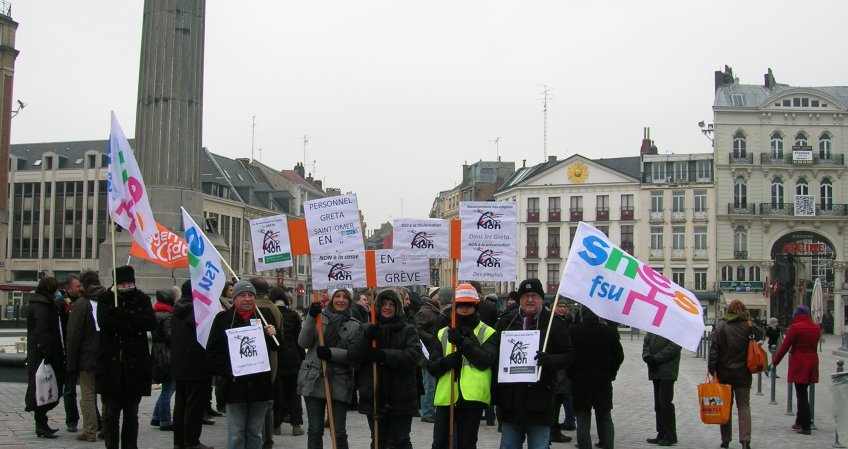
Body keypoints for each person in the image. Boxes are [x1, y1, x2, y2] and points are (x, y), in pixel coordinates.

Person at [495, 279, 573, 449]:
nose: (530, 300)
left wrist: (550, 360)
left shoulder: (554, 324)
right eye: (525, 296)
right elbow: (494, 355)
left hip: (540, 401)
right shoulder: (506, 322)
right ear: (520, 299)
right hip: (511, 402)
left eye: (534, 295)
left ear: (541, 299)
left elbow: (568, 356)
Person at [207, 280, 278, 449]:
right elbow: (213, 352)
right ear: (234, 298)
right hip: (235, 386)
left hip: (259, 386)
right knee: (236, 432)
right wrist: (229, 373)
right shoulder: (223, 319)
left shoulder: (264, 316)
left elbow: (277, 347)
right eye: (242, 295)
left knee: (255, 432)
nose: (247, 299)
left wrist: (274, 334)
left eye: (250, 295)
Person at [349, 289, 424, 449]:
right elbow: (354, 357)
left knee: (400, 440)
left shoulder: (408, 329)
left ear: (398, 307)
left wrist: (384, 355)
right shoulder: (366, 328)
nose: (387, 307)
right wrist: (366, 337)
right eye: (383, 304)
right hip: (374, 395)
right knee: (378, 441)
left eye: (391, 304)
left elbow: (413, 356)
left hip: (401, 396)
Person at [427, 283, 497, 449]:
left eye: (469, 305)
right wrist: (445, 362)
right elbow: (431, 366)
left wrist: (463, 343)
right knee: (440, 444)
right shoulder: (443, 333)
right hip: (447, 397)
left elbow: (486, 360)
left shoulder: (487, 332)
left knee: (467, 444)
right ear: (454, 306)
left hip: (472, 397)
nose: (464, 309)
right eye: (461, 305)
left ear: (475, 306)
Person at [96, 265, 156, 449]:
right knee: (111, 414)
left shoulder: (142, 298)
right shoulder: (106, 298)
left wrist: (123, 314)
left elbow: (149, 322)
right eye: (123, 283)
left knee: (131, 414)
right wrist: (132, 324)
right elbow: (105, 322)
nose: (127, 286)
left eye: (130, 282)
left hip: (134, 367)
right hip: (111, 367)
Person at [297, 288, 361, 449]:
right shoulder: (318, 317)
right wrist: (311, 317)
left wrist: (331, 353)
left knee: (338, 431)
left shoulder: (355, 325)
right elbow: (303, 342)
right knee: (315, 430)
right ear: (331, 299)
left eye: (345, 297)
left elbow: (355, 355)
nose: (341, 300)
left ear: (350, 301)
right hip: (314, 377)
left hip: (340, 380)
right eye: (337, 296)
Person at [708, 299, 763, 449]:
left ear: (729, 310)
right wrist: (750, 322)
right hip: (743, 374)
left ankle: (725, 440)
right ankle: (745, 440)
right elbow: (760, 334)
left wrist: (712, 370)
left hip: (724, 373)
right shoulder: (749, 326)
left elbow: (714, 351)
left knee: (725, 407)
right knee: (744, 406)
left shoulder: (721, 326)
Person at [569, 306, 624, 449]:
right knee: (605, 417)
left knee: (582, 419)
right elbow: (619, 355)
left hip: (580, 381)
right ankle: (607, 445)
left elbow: (568, 356)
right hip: (603, 380)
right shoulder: (609, 331)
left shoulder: (573, 331)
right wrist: (612, 372)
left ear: (581, 315)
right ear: (598, 316)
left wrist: (571, 374)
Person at [171, 280, 214, 449]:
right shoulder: (198, 311)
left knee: (180, 403)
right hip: (197, 364)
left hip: (180, 363)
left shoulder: (178, 309)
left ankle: (179, 441)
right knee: (194, 405)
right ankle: (191, 441)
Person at [24, 276, 66, 439]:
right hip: (43, 355)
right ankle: (41, 424)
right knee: (44, 389)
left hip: (40, 353)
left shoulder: (43, 303)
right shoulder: (42, 306)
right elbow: (42, 331)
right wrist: (48, 352)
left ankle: (42, 423)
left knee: (44, 389)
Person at [65, 270, 105, 442]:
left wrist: (71, 362)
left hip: (87, 357)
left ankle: (90, 430)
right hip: (106, 355)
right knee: (107, 394)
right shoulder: (109, 300)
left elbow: (73, 335)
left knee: (88, 394)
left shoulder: (81, 304)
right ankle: (108, 428)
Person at [771, 305, 821, 436]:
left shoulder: (796, 327)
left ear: (796, 315)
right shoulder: (816, 327)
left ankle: (805, 425)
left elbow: (784, 346)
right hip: (812, 361)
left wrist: (775, 362)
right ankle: (799, 421)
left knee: (801, 394)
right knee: (803, 391)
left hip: (799, 362)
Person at [249, 277, 283, 449]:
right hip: (271, 359)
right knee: (267, 401)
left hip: (251, 359)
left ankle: (256, 436)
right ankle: (267, 438)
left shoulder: (253, 308)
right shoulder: (275, 309)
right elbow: (280, 334)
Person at [270, 287, 305, 437]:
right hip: (292, 358)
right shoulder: (293, 315)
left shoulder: (268, 314)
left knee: (278, 394)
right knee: (294, 394)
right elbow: (299, 340)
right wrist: (301, 357)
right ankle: (296, 425)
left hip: (276, 358)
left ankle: (276, 426)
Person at [642, 332, 681, 446]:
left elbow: (674, 347)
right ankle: (661, 433)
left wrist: (656, 358)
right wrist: (647, 357)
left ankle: (670, 435)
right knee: (658, 405)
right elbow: (646, 342)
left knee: (665, 403)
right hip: (655, 370)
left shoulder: (674, 327)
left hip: (668, 371)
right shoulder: (655, 326)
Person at [415, 286, 442, 424]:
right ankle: (427, 412)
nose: (441, 298)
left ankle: (431, 410)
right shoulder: (425, 312)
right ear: (433, 297)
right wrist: (432, 338)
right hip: (426, 353)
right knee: (429, 384)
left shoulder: (437, 311)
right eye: (439, 296)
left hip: (434, 353)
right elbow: (418, 330)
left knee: (434, 384)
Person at [60, 274, 83, 433]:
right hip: (68, 351)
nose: (80, 288)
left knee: (90, 389)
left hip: (84, 351)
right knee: (69, 389)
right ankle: (72, 420)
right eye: (77, 286)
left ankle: (95, 418)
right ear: (69, 289)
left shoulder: (84, 302)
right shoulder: (62, 305)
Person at [151, 288, 176, 432]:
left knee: (167, 387)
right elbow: (170, 336)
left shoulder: (155, 312)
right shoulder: (168, 315)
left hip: (158, 353)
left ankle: (156, 416)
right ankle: (165, 420)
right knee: (169, 388)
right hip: (168, 354)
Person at [550, 299, 573, 443]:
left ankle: (556, 428)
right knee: (555, 401)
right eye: (559, 306)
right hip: (556, 369)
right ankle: (553, 430)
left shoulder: (567, 322)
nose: (562, 309)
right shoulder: (553, 323)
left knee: (560, 399)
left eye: (564, 306)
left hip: (564, 368)